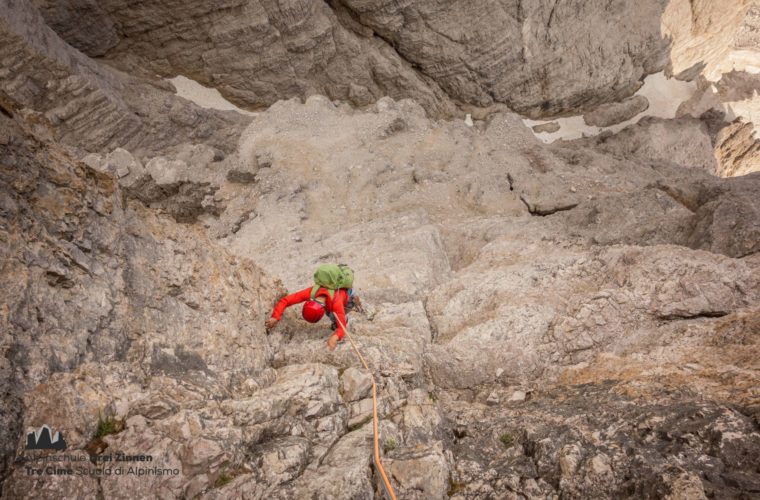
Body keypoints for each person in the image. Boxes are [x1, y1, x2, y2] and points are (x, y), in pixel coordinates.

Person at [265, 286, 361, 350]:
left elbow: (342, 327)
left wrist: (335, 337)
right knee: (332, 312)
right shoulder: (312, 292)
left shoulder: (336, 303)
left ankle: (353, 302)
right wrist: (275, 317)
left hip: (347, 295)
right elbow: (285, 301)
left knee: (333, 315)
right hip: (333, 297)